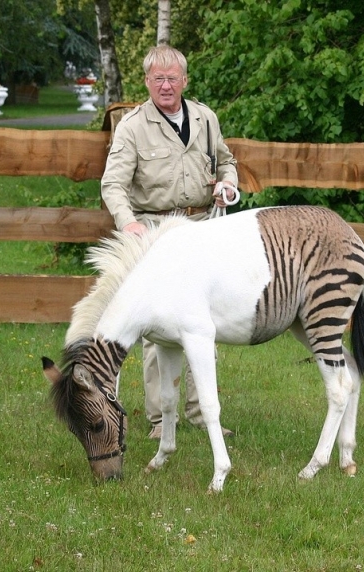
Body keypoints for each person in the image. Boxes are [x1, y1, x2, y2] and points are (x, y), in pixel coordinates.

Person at [101, 45, 238, 439]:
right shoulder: (132, 126)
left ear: (184, 80)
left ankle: (200, 412)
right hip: (155, 236)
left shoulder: (204, 117)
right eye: (157, 78)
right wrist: (128, 225)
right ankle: (162, 420)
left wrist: (228, 184)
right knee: (156, 329)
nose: (165, 85)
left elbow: (226, 161)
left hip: (201, 230)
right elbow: (113, 184)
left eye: (172, 77)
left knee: (203, 322)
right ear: (146, 82)